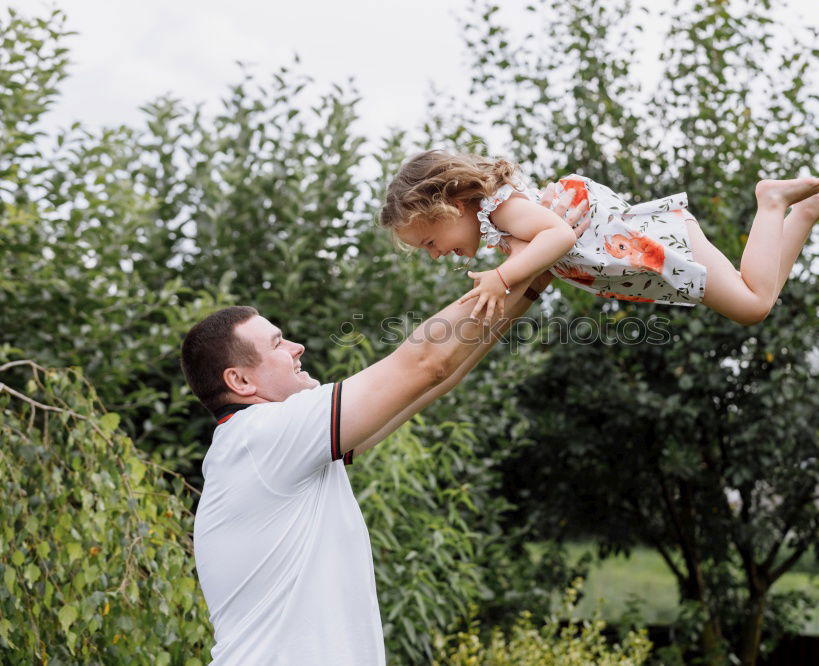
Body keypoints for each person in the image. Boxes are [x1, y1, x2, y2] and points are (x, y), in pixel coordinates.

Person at [179, 189, 587, 665]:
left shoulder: (280, 450)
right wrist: (509, 269)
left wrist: (536, 271)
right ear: (240, 380)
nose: (297, 347)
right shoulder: (261, 437)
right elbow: (423, 363)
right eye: (277, 343)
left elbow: (437, 379)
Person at [379, 150, 819, 326]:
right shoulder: (503, 220)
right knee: (755, 297)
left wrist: (501, 277)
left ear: (453, 203)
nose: (434, 253)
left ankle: (772, 202)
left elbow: (554, 234)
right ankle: (804, 214)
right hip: (646, 249)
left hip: (650, 243)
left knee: (753, 305)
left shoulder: (503, 208)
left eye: (429, 240)